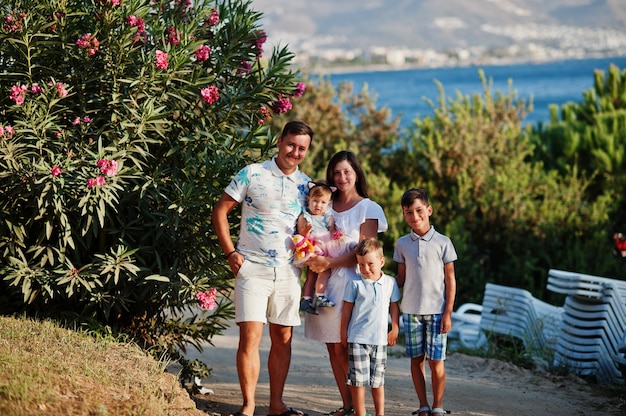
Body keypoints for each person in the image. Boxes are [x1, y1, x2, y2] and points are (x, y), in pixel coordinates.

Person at [211, 120, 313, 416]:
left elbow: (312, 228)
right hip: (251, 268)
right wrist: (230, 252)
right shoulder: (252, 173)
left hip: (288, 273)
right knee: (250, 337)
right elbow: (220, 210)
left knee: (283, 339)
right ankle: (248, 407)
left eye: (302, 148)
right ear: (280, 141)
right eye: (291, 144)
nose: (295, 152)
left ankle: (276, 406)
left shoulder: (306, 186)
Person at [304, 150, 388, 416]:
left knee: (347, 347)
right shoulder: (324, 204)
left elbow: (366, 250)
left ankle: (358, 406)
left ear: (356, 174)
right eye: (337, 173)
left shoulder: (368, 208)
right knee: (332, 346)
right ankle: (348, 405)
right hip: (324, 284)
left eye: (347, 172)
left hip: (353, 286)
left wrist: (328, 264)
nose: (341, 177)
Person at [393, 188, 457, 416]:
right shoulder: (401, 244)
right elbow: (400, 279)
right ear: (404, 215)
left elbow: (450, 280)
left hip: (438, 313)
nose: (414, 216)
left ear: (429, 210)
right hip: (410, 312)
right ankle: (423, 405)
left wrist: (448, 312)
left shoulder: (443, 242)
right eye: (408, 212)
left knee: (436, 361)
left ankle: (438, 406)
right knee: (416, 360)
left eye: (419, 210)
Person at [341, 238, 400, 416]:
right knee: (358, 381)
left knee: (378, 381)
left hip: (380, 340)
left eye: (370, 264)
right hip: (358, 339)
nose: (365, 269)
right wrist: (343, 333)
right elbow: (346, 311)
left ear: (382, 262)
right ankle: (360, 413)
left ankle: (379, 413)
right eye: (361, 265)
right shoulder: (355, 284)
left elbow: (394, 306)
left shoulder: (390, 283)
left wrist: (395, 328)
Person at [296, 180, 339, 314]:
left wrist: (337, 234)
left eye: (323, 202)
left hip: (325, 246)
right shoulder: (306, 216)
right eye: (315, 201)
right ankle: (318, 296)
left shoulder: (327, 217)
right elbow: (300, 234)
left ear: (328, 204)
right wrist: (306, 231)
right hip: (311, 246)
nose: (318, 205)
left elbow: (332, 230)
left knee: (312, 275)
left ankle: (306, 300)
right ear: (308, 200)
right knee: (323, 271)